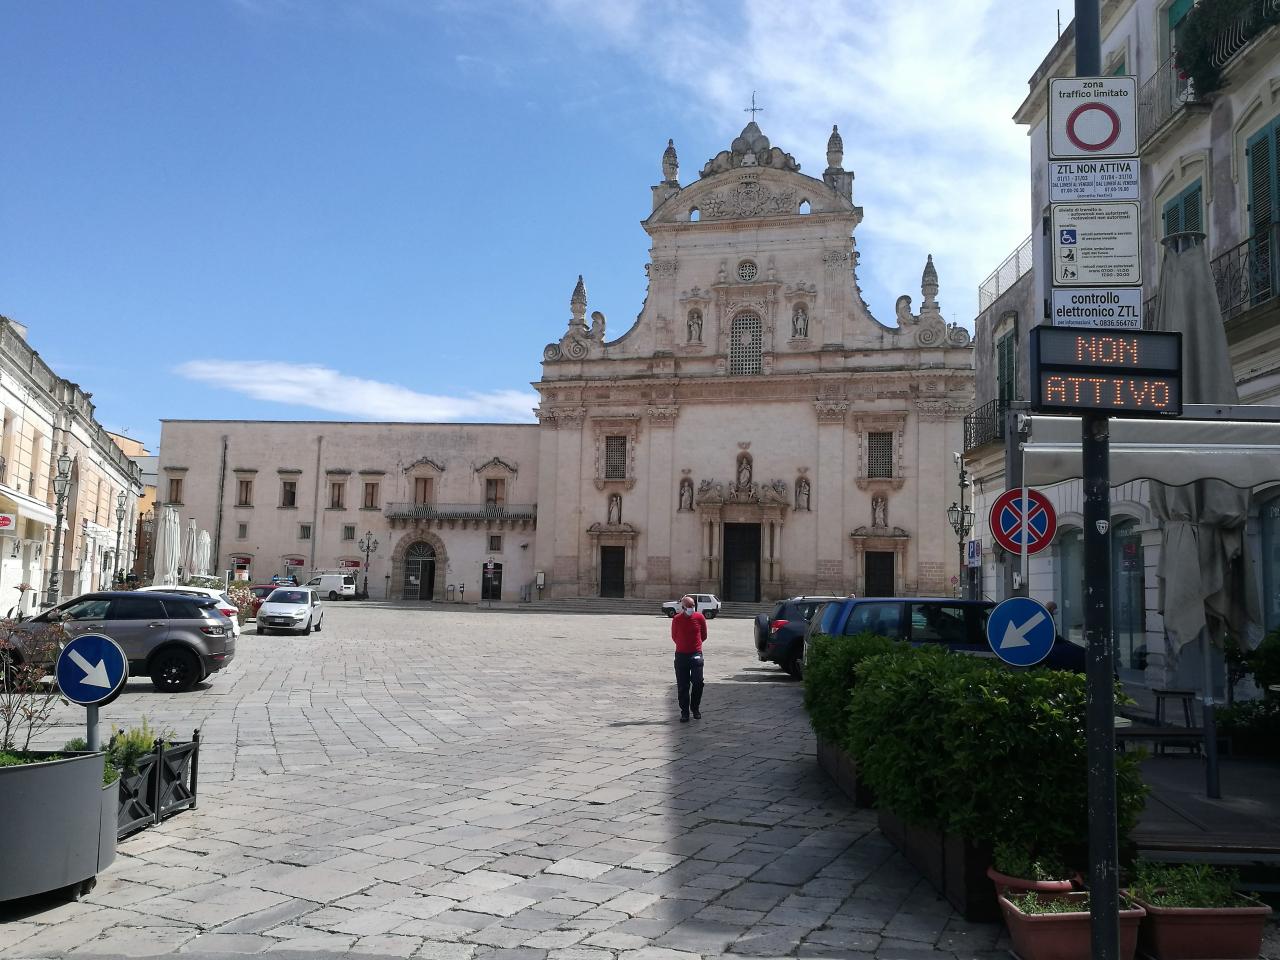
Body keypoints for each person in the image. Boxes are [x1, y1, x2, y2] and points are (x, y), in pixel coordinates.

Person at [670, 595, 707, 722]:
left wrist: (695, 645)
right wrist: (683, 645)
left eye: (693, 606)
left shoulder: (700, 617)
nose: (691, 608)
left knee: (698, 682)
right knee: (682, 685)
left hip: (696, 654)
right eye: (689, 606)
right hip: (681, 655)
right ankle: (684, 712)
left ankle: (695, 708)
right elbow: (674, 636)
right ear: (683, 607)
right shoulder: (676, 619)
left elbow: (704, 635)